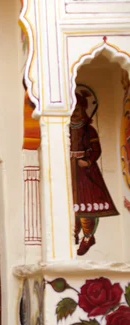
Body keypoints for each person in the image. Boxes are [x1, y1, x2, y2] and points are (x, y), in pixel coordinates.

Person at [70, 89, 118, 256]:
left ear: (83, 110)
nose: (74, 113)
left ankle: (88, 237)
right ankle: (73, 233)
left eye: (77, 109)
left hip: (85, 170)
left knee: (86, 205)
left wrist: (88, 161)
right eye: (71, 109)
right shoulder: (65, 128)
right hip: (69, 168)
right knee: (71, 204)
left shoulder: (89, 130)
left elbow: (96, 149)